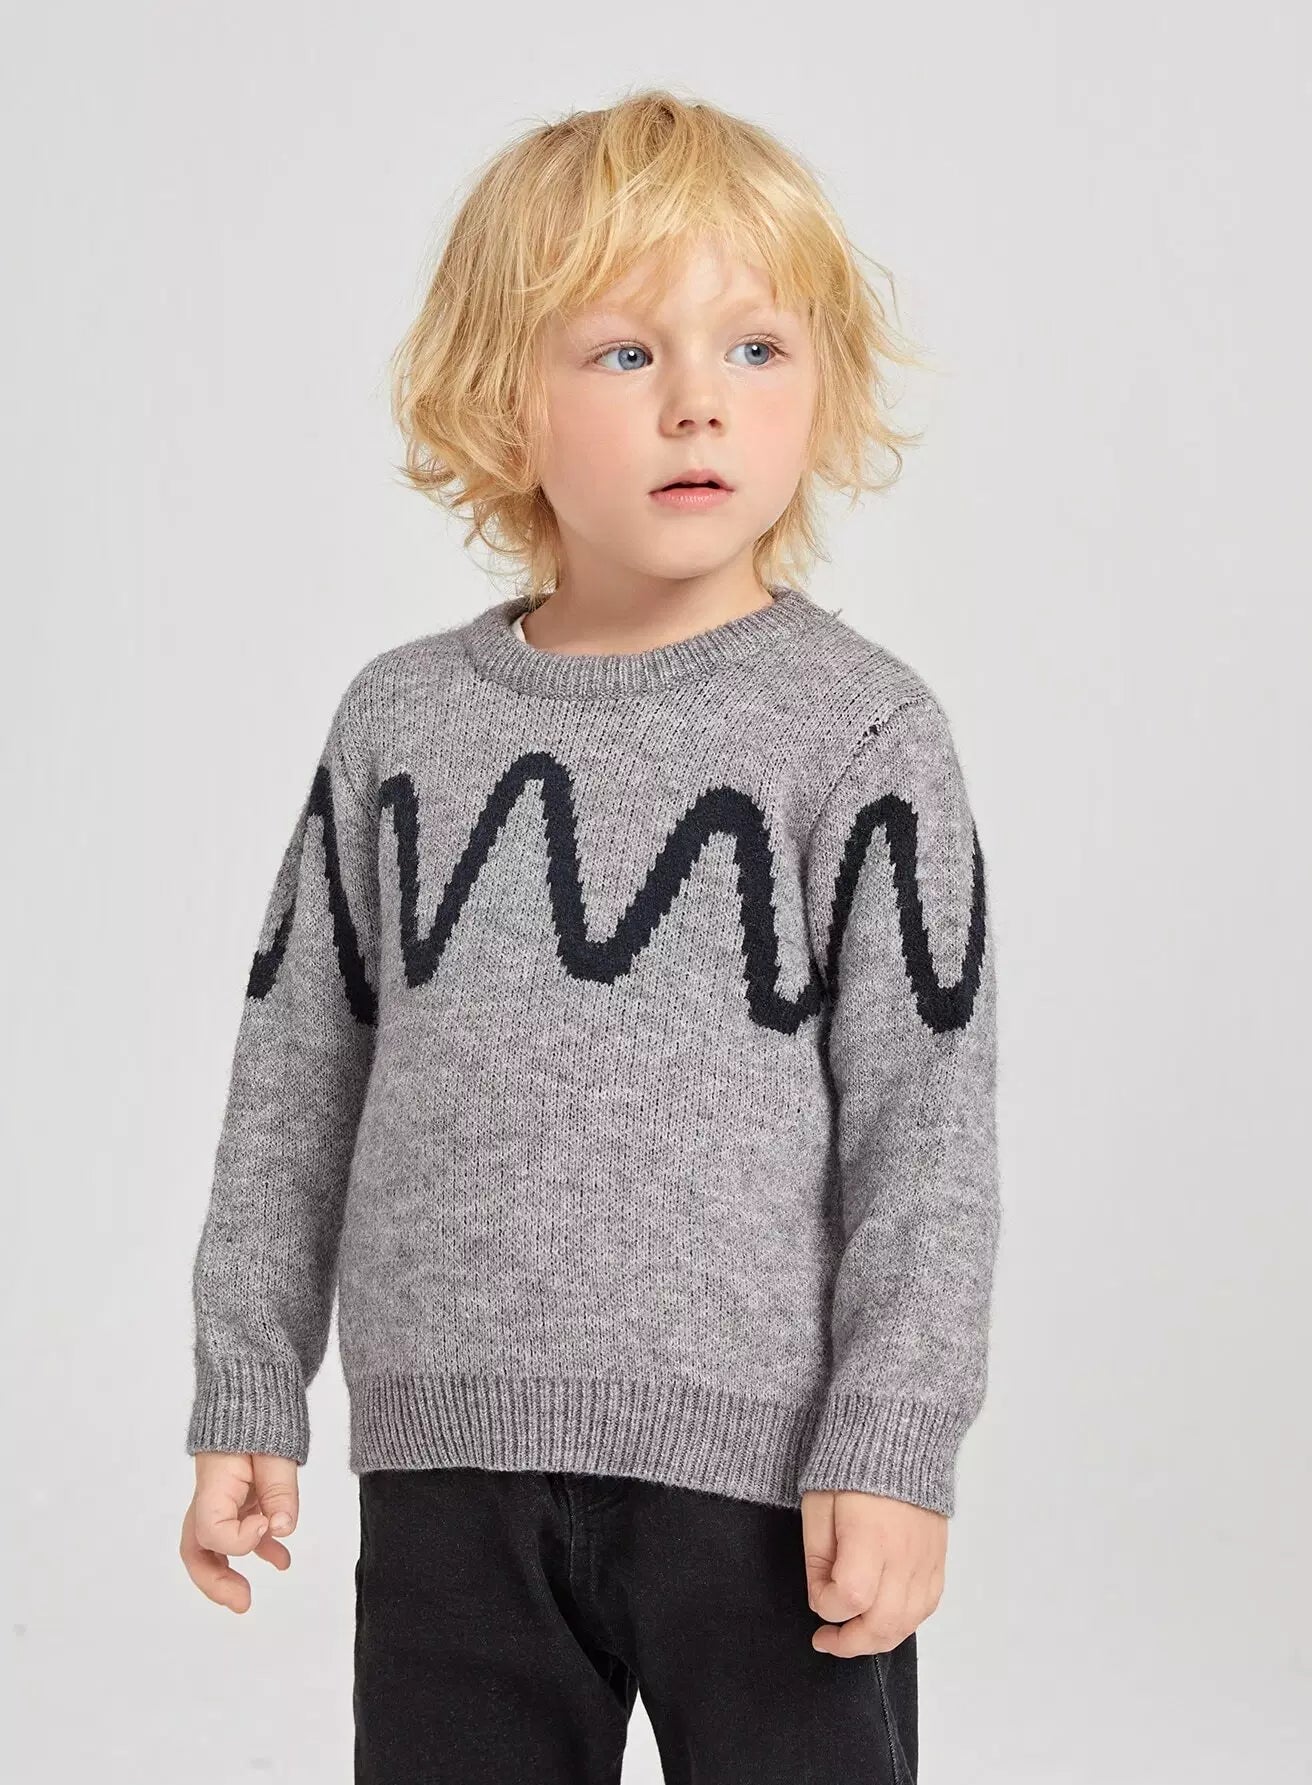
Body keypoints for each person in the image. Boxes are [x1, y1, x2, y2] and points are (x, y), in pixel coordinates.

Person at [179, 87, 1000, 1785]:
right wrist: (248, 1381)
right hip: (450, 1471)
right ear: (502, 398)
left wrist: (896, 1440)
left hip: (768, 1487)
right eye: (627, 352)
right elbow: (296, 1074)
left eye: (758, 348)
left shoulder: (860, 733)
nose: (700, 398)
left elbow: (928, 1131)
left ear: (824, 388)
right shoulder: (401, 723)